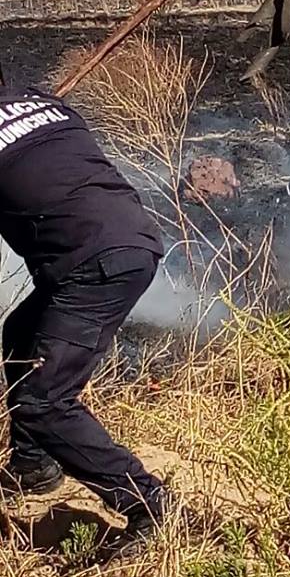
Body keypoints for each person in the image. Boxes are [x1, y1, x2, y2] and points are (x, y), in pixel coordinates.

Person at [0, 83, 169, 546]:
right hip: (129, 237)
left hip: (95, 264)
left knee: (44, 402)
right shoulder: (37, 99)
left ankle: (147, 504)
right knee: (19, 333)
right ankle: (33, 466)